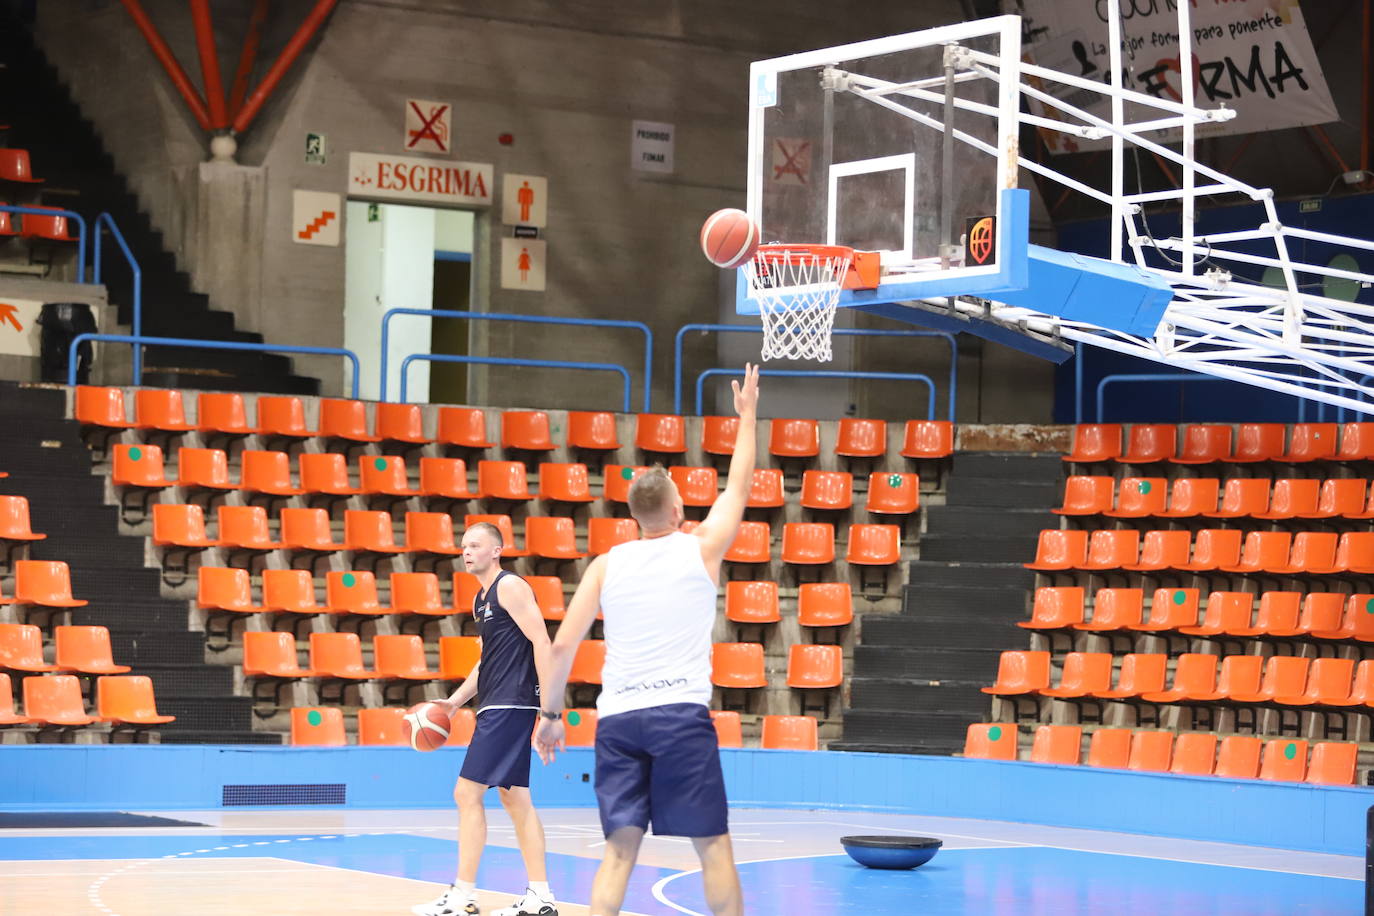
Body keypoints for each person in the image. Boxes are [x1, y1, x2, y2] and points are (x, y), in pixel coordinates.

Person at [535, 363, 760, 916]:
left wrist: (551, 715)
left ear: (633, 517)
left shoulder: (606, 565)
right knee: (713, 847)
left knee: (617, 853)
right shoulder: (701, 547)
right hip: (679, 716)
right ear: (678, 510)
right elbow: (738, 484)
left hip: (618, 722)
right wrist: (748, 416)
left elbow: (561, 647)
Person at [413, 521, 559, 916]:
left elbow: (543, 642)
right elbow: (487, 661)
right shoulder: (481, 599)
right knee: (516, 801)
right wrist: (455, 702)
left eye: (475, 545)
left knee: (466, 793)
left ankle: (463, 895)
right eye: (464, 546)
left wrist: (550, 709)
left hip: (512, 704)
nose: (467, 551)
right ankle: (541, 897)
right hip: (496, 702)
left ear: (497, 550)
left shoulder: (510, 587)